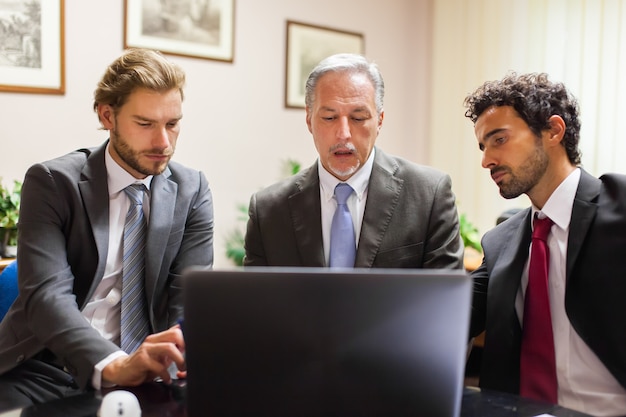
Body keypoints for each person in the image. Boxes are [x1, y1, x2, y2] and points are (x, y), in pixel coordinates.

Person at [0, 48, 214, 411]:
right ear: (107, 115)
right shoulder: (53, 183)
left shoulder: (192, 190)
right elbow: (47, 297)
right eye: (145, 124)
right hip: (44, 369)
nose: (163, 142)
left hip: (149, 372)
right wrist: (115, 365)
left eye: (173, 123)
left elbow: (187, 301)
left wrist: (172, 351)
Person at [464, 72, 626, 416]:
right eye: (483, 146)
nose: (486, 160)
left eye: (499, 139)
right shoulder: (501, 241)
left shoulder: (621, 207)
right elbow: (450, 315)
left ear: (553, 131)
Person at [244, 53, 463, 269]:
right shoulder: (268, 211)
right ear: (309, 120)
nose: (343, 134)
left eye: (358, 118)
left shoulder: (428, 195)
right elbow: (256, 302)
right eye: (329, 118)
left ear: (379, 121)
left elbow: (444, 299)